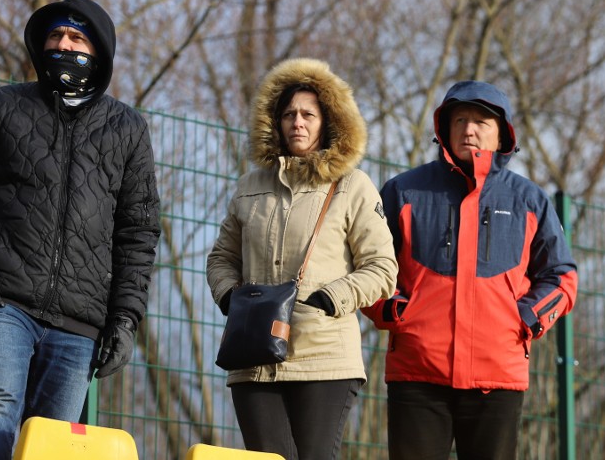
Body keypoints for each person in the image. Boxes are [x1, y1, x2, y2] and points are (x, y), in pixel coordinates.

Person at [362, 80, 578, 460]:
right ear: (444, 129)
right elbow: (365, 266)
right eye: (459, 119)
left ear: (503, 134)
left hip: (498, 377)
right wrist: (393, 311)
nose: (469, 129)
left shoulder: (531, 200)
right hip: (417, 373)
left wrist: (525, 318)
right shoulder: (402, 192)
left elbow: (562, 277)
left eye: (482, 121)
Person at [206, 58, 398, 460]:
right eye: (289, 114)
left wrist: (331, 298)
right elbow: (221, 257)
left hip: (324, 357)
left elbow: (383, 269)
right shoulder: (248, 187)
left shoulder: (353, 186)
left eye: (309, 114)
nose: (298, 122)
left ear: (328, 122)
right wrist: (230, 298)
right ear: (274, 122)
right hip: (252, 357)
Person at [0, 0, 161, 457]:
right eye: (54, 36)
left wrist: (125, 319)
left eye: (76, 38)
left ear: (99, 52)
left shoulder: (128, 128)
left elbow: (139, 230)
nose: (63, 45)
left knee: (52, 439)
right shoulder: (4, 108)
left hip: (80, 323)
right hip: (4, 304)